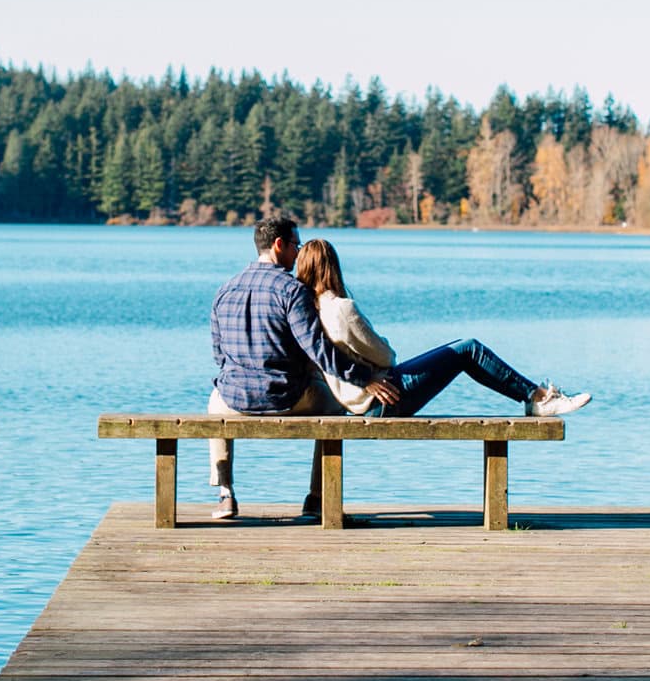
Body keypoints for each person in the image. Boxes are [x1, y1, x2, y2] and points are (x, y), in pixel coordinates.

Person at [207, 215, 398, 520]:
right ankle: (317, 497)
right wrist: (364, 379)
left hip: (235, 399)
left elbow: (219, 355)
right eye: (295, 244)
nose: (298, 253)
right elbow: (318, 350)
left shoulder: (224, 290)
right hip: (286, 397)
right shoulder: (291, 291)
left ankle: (225, 494)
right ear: (279, 245)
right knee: (335, 407)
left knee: (215, 402)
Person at [293, 238, 591, 420]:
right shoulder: (341, 309)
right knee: (469, 349)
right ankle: (538, 398)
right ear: (332, 267)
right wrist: (380, 348)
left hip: (360, 401)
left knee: (460, 348)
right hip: (383, 398)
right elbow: (387, 357)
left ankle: (535, 397)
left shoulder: (309, 312)